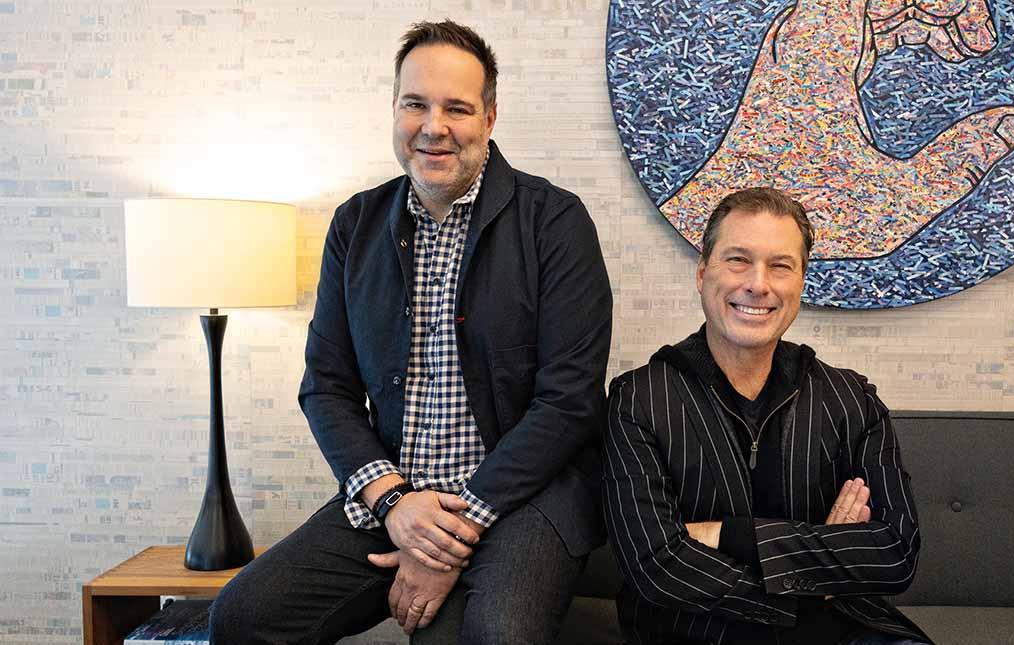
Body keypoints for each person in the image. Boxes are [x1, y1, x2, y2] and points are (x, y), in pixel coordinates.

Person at [210, 20, 612, 644]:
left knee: (491, 637)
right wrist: (395, 503)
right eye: (415, 104)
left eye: (457, 108)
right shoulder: (357, 224)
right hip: (395, 495)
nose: (434, 126)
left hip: (522, 499)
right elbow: (327, 388)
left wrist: (447, 535)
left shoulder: (553, 221)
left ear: (490, 117)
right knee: (243, 616)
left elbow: (570, 400)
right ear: (394, 109)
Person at [603, 187, 932, 644]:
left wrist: (727, 535)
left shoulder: (851, 398)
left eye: (781, 265)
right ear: (702, 273)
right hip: (699, 634)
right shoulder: (639, 399)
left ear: (801, 281)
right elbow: (657, 565)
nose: (758, 283)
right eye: (738, 259)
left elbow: (895, 553)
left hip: (844, 632)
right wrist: (818, 582)